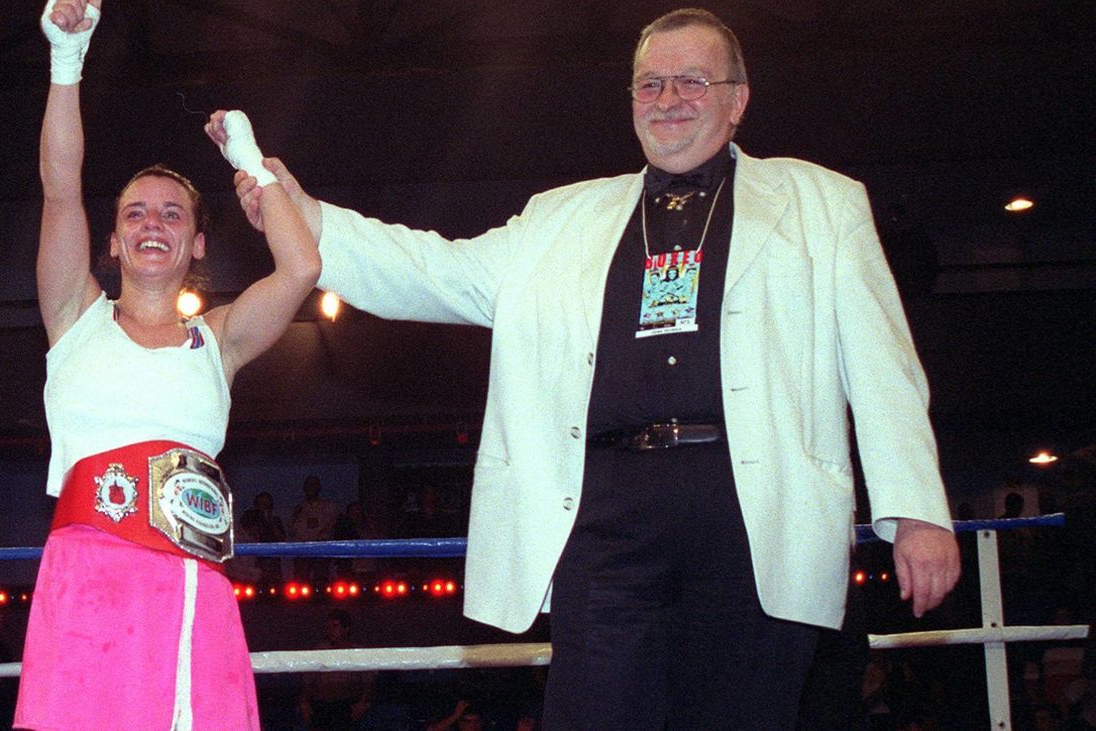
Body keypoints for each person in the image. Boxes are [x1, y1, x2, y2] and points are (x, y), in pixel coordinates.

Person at [229, 8, 960, 728]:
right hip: (606, 514)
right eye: (649, 85)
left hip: (754, 509)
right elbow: (434, 269)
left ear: (738, 99)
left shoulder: (823, 203)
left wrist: (919, 510)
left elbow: (882, 365)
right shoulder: (561, 217)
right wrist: (303, 212)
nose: (668, 99)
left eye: (692, 81)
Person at [16, 1, 320, 729]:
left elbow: (303, 264)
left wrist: (251, 164)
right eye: (135, 213)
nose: (153, 222)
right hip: (88, 580)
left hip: (191, 586)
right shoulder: (73, 318)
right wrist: (67, 61)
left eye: (173, 213)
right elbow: (62, 186)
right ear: (113, 242)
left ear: (198, 243)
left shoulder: (221, 341)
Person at [297, 609, 374, 730]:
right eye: (329, 627)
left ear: (346, 628)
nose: (331, 630)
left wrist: (362, 703)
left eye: (335, 626)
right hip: (321, 708)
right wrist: (304, 703)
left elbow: (369, 683)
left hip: (346, 708)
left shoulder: (357, 652)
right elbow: (307, 681)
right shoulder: (319, 650)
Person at [286, 475, 340, 585]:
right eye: (308, 485)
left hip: (321, 550)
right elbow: (291, 529)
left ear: (319, 487)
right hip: (303, 551)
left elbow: (329, 526)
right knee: (301, 583)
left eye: (314, 484)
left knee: (321, 583)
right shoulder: (299, 508)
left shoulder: (329, 507)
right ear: (304, 488)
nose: (311, 488)